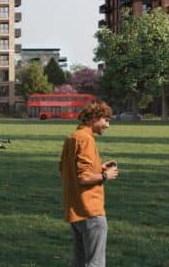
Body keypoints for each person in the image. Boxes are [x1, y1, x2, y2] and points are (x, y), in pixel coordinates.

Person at [59, 100, 119, 267]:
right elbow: (83, 177)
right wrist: (105, 175)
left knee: (78, 263)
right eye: (106, 120)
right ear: (94, 118)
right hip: (90, 211)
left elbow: (65, 169)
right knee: (95, 263)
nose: (107, 125)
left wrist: (99, 168)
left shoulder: (72, 138)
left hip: (75, 209)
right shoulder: (86, 140)